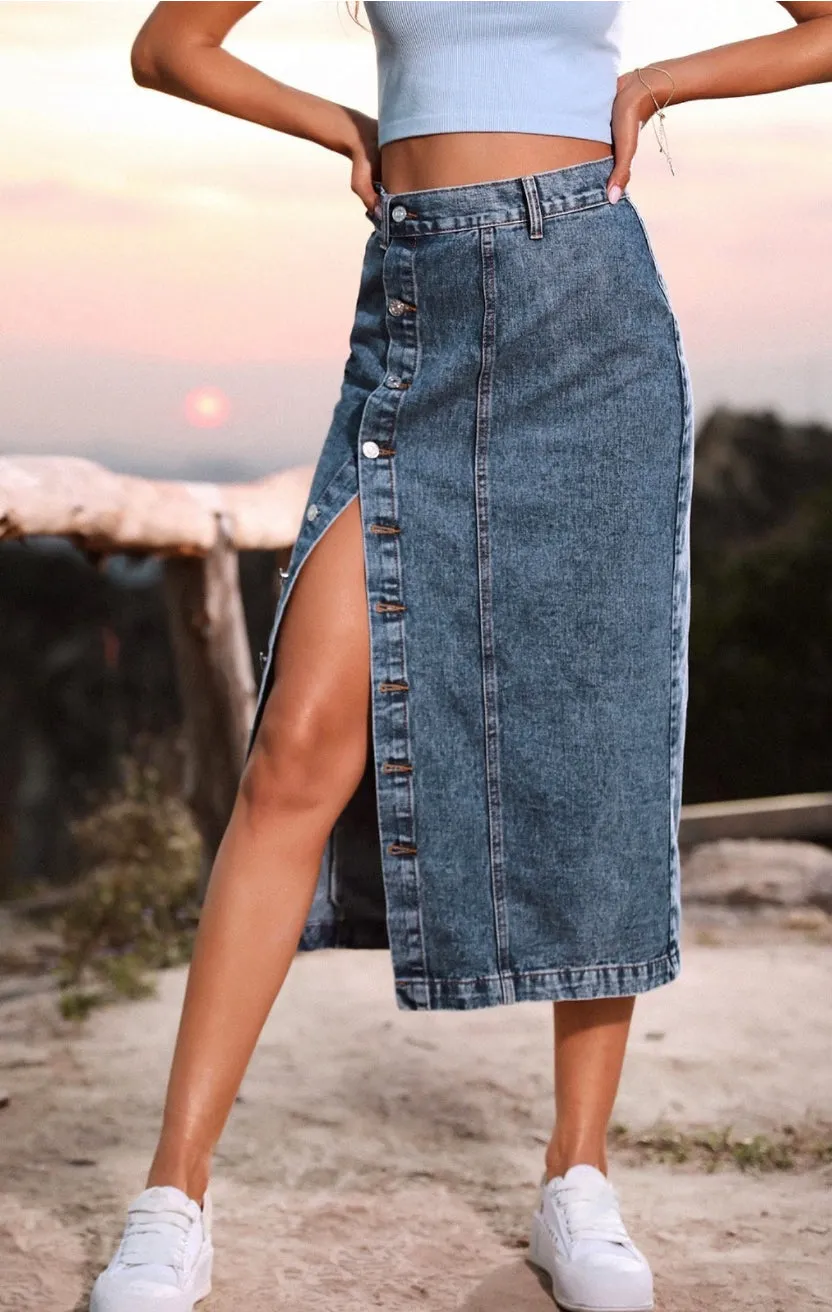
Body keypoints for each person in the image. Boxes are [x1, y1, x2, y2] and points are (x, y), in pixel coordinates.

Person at [90, 3, 832, 1310]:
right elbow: (170, 48)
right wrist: (345, 128)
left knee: (599, 745)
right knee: (298, 752)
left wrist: (660, 81)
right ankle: (172, 1195)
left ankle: (578, 1176)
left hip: (589, 315)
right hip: (420, 308)